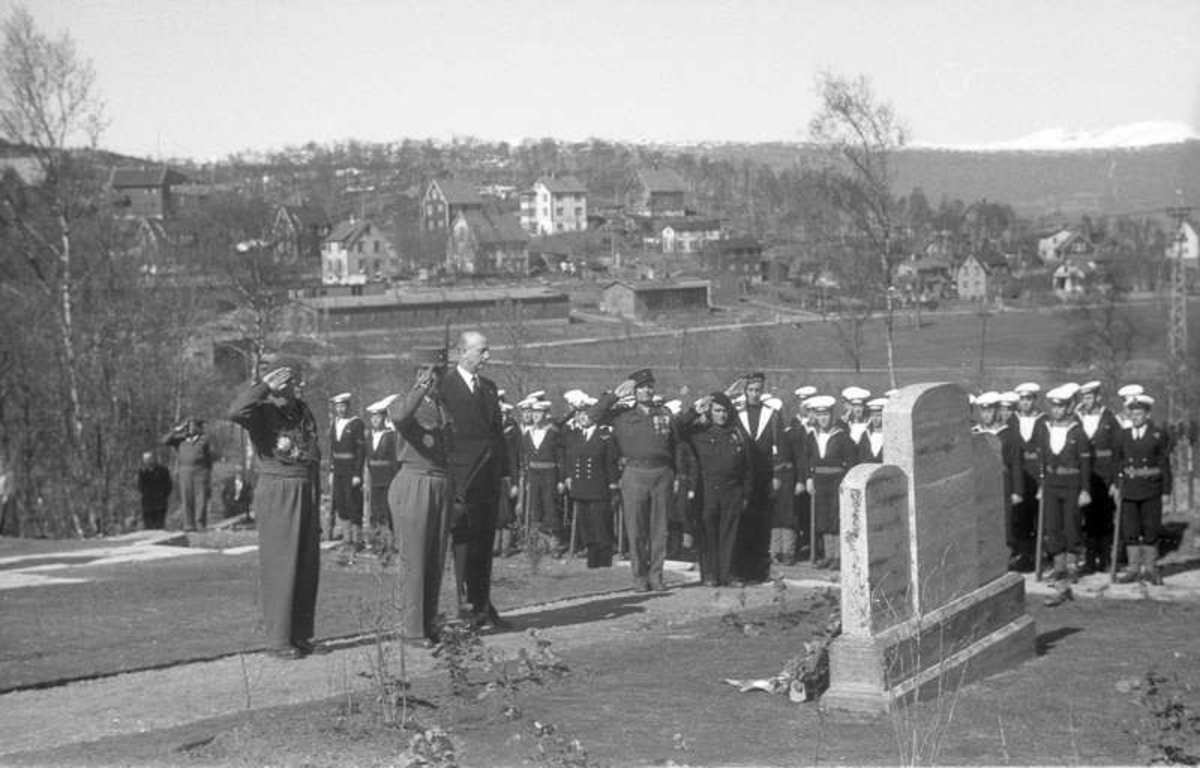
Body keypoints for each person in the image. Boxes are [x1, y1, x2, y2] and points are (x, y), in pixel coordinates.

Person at [227, 362, 325, 660]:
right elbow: (235, 412)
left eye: (292, 380)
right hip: (278, 488)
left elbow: (312, 456)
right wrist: (263, 386)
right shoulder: (261, 410)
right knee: (281, 565)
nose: (290, 385)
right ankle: (279, 639)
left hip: (304, 486)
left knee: (307, 566)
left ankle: (301, 635)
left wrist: (317, 496)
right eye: (283, 380)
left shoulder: (303, 411)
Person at [439, 330, 513, 629]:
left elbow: (497, 437)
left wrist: (505, 475)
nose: (487, 357)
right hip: (461, 482)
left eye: (487, 350)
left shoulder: (489, 388)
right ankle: (466, 607)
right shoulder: (444, 388)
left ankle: (482, 605)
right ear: (462, 352)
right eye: (482, 351)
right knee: (464, 546)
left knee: (484, 545)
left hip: (488, 481)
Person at [386, 348, 452, 644]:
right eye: (427, 371)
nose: (434, 377)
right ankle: (412, 629)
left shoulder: (442, 406)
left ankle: (428, 622)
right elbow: (399, 416)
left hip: (440, 482)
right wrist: (419, 388)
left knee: (434, 558)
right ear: (417, 373)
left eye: (438, 371)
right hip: (414, 481)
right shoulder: (406, 402)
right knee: (414, 557)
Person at [594, 368, 681, 592]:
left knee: (659, 529)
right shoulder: (622, 415)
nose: (647, 391)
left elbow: (676, 446)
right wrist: (614, 395)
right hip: (634, 473)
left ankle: (656, 576)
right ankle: (639, 577)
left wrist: (678, 474)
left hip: (662, 473)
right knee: (636, 530)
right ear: (634, 390)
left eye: (650, 387)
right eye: (642, 387)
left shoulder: (664, 414)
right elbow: (593, 416)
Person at [680, 392, 754, 587]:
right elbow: (678, 428)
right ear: (710, 412)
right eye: (717, 411)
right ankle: (710, 574)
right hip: (708, 488)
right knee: (708, 532)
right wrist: (695, 411)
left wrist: (746, 492)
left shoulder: (736, 432)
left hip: (732, 489)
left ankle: (728, 573)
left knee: (730, 533)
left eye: (725, 411)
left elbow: (747, 466)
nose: (722, 415)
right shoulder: (699, 432)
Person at [1036, 383, 1092, 606]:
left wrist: (1085, 489)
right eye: (1054, 407)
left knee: (1071, 525)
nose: (1057, 411)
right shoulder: (1045, 428)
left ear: (1069, 407)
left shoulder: (1078, 431)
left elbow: (1086, 463)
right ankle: (1058, 566)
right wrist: (1042, 484)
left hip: (1071, 484)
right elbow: (1042, 460)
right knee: (1052, 526)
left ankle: (1071, 566)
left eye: (1062, 407)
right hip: (1051, 484)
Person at [1111, 393, 1172, 585]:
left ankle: (1151, 569)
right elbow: (1117, 462)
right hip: (1129, 488)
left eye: (1139, 413)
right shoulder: (1123, 435)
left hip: (1151, 487)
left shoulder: (1158, 434)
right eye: (1132, 413)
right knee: (1130, 529)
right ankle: (1133, 569)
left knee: (1151, 528)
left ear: (1147, 414)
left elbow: (1164, 464)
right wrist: (1115, 485)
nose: (1135, 417)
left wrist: (1166, 491)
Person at [733, 372, 782, 583]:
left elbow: (781, 447)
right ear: (745, 391)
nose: (754, 394)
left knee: (762, 524)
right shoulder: (736, 414)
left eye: (758, 390)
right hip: (743, 477)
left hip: (764, 477)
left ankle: (760, 570)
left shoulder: (772, 414)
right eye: (751, 390)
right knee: (743, 523)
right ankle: (742, 569)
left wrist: (778, 474)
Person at [564, 396, 620, 568]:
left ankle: (604, 561)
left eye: (586, 414)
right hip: (580, 487)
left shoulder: (605, 435)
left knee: (600, 524)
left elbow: (611, 462)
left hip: (598, 487)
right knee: (586, 526)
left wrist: (613, 485)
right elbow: (569, 459)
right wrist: (568, 476)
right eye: (579, 414)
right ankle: (592, 560)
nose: (582, 418)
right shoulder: (575, 435)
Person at [805, 395, 858, 570]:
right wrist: (808, 479)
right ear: (816, 417)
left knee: (836, 517)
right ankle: (828, 555)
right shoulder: (812, 435)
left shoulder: (841, 436)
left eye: (826, 415)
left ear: (832, 415)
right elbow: (807, 459)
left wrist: (847, 482)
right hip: (819, 481)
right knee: (823, 518)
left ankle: (838, 556)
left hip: (837, 480)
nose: (823, 419)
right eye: (820, 415)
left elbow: (850, 460)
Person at [1075, 380, 1121, 573]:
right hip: (1084, 475)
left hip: (1104, 474)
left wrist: (1115, 480)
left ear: (1098, 397)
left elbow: (1118, 451)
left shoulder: (1109, 418)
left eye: (1090, 397)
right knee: (1087, 518)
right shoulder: (1077, 418)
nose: (1086, 401)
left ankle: (1105, 558)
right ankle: (1090, 559)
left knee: (1105, 517)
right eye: (1084, 397)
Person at [977, 392, 1025, 570]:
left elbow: (1016, 465)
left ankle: (1006, 561)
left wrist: (1018, 491)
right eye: (983, 411)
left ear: (997, 411)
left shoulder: (1009, 435)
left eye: (990, 411)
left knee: (1004, 524)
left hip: (1003, 484)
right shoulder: (976, 433)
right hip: (981, 485)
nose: (986, 415)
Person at [520, 394, 566, 555]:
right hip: (534, 474)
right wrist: (526, 480)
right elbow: (525, 459)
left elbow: (561, 458)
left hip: (549, 474)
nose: (535, 416)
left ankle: (554, 543)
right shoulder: (527, 433)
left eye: (539, 413)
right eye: (533, 413)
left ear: (546, 415)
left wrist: (561, 479)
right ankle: (538, 543)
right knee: (535, 507)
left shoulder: (553, 433)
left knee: (550, 506)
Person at [1011, 382, 1045, 572]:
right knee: (1021, 518)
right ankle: (1024, 556)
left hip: (1038, 475)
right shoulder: (1012, 421)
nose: (1025, 403)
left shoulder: (1044, 420)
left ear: (1035, 400)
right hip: (1020, 476)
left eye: (1029, 399)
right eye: (1022, 399)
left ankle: (1038, 555)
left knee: (1039, 517)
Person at [327, 392, 367, 549]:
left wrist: (357, 473)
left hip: (351, 469)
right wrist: (331, 470)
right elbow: (332, 450)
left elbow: (361, 450)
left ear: (348, 407)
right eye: (338, 406)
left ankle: (357, 539)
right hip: (338, 469)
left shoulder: (356, 423)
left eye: (343, 406)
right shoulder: (334, 423)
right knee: (341, 501)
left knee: (353, 502)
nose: (341, 409)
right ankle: (346, 537)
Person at [161, 417, 214, 531]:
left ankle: (200, 524)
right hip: (185, 471)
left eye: (193, 425)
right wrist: (177, 430)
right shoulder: (180, 439)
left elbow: (210, 458)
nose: (191, 428)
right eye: (188, 426)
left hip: (201, 470)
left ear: (198, 427)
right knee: (187, 497)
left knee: (201, 499)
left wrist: (208, 473)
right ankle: (188, 525)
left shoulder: (204, 439)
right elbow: (164, 441)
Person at [365, 398, 400, 554]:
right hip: (374, 479)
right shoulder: (369, 436)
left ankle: (389, 544)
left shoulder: (391, 436)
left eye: (378, 417)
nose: (375, 420)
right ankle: (376, 542)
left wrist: (395, 479)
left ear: (384, 418)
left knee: (387, 510)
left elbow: (395, 459)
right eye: (373, 417)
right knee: (375, 510)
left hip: (388, 478)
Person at [136, 450, 173, 530]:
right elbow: (140, 486)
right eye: (146, 459)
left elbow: (168, 485)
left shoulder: (162, 470)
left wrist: (164, 495)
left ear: (153, 459)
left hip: (160, 502)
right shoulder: (142, 472)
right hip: (147, 503)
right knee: (149, 526)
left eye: (150, 459)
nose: (148, 461)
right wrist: (145, 494)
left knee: (159, 526)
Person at [857, 397, 887, 463]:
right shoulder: (865, 435)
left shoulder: (889, 436)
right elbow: (860, 458)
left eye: (878, 415)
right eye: (873, 415)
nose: (875, 419)